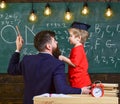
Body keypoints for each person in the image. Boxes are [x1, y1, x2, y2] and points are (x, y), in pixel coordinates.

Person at [7, 30, 90, 104]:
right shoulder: (57, 64)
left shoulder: (27, 60)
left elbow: (11, 70)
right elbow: (62, 89)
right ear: (48, 46)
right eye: (54, 41)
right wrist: (81, 90)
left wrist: (18, 49)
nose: (57, 42)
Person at [59, 22, 92, 88]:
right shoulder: (78, 48)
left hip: (80, 81)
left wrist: (62, 58)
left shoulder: (78, 49)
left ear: (78, 38)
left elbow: (74, 63)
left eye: (71, 36)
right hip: (78, 79)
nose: (69, 38)